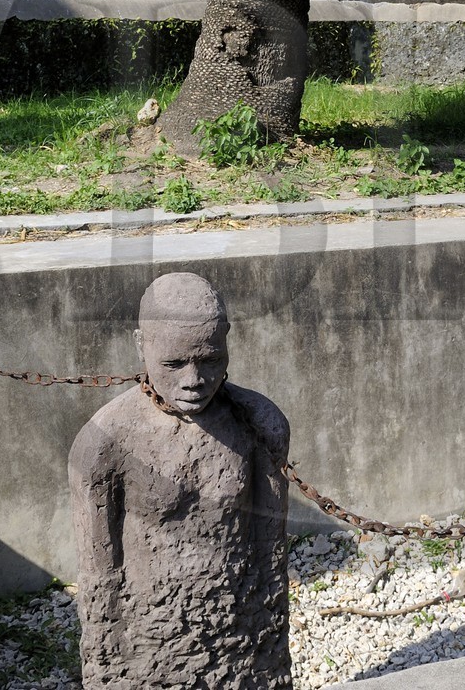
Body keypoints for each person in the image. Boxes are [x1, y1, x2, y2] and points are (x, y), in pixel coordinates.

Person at [70, 272, 291, 689]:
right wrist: (111, 660)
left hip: (237, 627)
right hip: (152, 638)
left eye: (210, 359)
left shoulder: (258, 423)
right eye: (173, 364)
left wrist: (265, 630)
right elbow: (99, 576)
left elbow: (270, 553)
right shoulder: (106, 443)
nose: (193, 380)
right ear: (142, 346)